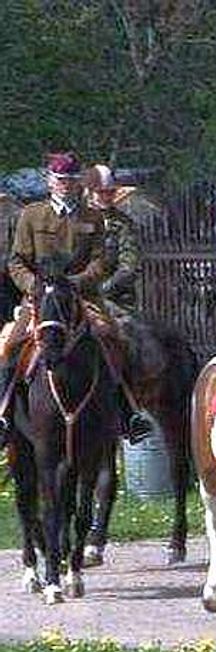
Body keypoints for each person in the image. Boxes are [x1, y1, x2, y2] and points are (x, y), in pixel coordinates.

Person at [0, 151, 149, 445]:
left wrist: (75, 283)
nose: (65, 185)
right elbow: (17, 261)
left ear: (78, 182)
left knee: (113, 337)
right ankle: (3, 413)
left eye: (70, 180)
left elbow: (100, 262)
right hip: (40, 298)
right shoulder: (31, 215)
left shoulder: (92, 217)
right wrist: (35, 286)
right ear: (50, 181)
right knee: (10, 344)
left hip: (82, 297)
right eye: (60, 179)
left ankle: (129, 412)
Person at [87, 164, 141, 315]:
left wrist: (104, 289)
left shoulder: (123, 224)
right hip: (78, 295)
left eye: (110, 192)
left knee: (125, 326)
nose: (106, 197)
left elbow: (129, 266)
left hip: (114, 298)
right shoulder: (74, 220)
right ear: (89, 193)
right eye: (101, 192)